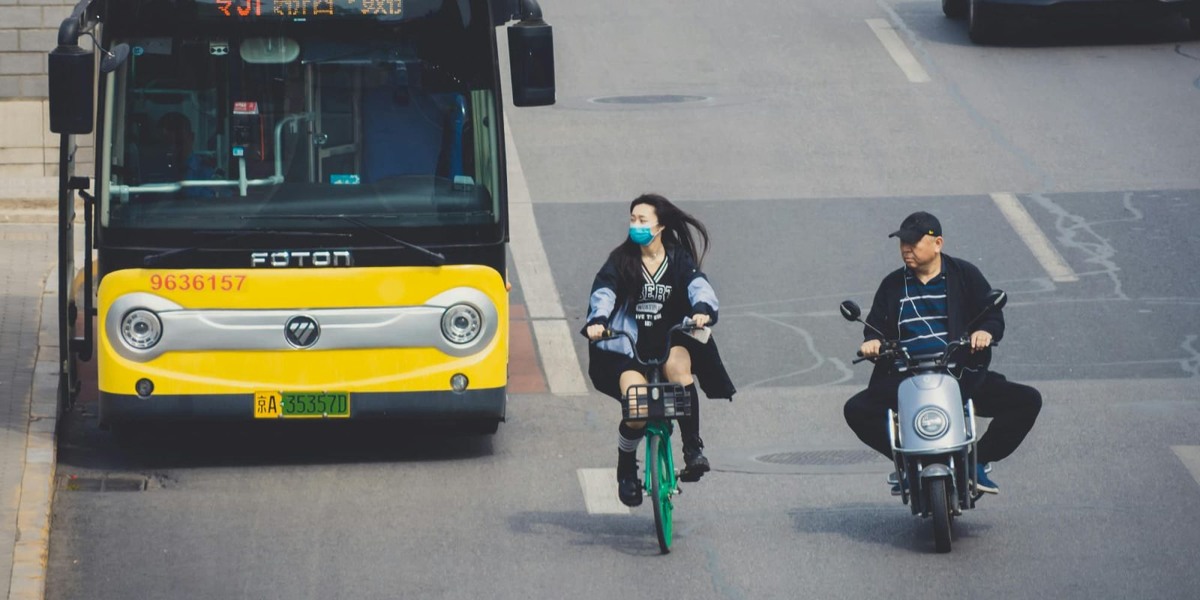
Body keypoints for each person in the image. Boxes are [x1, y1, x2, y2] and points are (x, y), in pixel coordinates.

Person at [843, 211, 1041, 495]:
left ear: (937, 244)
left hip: (960, 374)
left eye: (913, 242)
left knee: (1027, 400)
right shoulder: (892, 284)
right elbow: (874, 328)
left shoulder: (965, 275)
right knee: (856, 410)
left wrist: (985, 332)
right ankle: (906, 463)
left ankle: (975, 462)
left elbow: (991, 315)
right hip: (904, 377)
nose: (906, 249)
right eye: (902, 243)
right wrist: (872, 343)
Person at [583, 194, 736, 507]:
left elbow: (698, 285)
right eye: (632, 219)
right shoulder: (621, 259)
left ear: (660, 226)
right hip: (629, 348)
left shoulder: (678, 259)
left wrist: (702, 310)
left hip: (671, 340)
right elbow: (604, 292)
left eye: (643, 220)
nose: (635, 226)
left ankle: (692, 448)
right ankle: (627, 468)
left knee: (679, 371)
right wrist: (598, 321)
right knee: (637, 406)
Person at [157, 112, 222, 197]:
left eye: (179, 142)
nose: (173, 148)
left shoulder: (208, 172)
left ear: (191, 137)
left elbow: (224, 199)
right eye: (167, 143)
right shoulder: (154, 171)